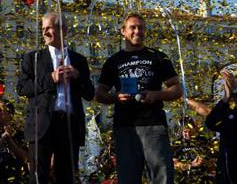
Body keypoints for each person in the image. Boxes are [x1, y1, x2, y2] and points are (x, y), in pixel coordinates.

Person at [95, 13, 182, 184]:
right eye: (132, 27)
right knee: (127, 178)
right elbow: (99, 94)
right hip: (125, 127)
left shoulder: (158, 57)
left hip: (154, 125)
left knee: (162, 176)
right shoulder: (113, 61)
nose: (137, 31)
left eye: (141, 27)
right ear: (123, 31)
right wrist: (116, 97)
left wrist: (156, 95)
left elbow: (177, 89)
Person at [17, 12, 95, 184]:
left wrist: (78, 76)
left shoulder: (78, 60)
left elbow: (90, 93)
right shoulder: (33, 58)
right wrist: (51, 79)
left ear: (64, 30)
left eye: (49, 28)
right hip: (41, 124)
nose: (44, 33)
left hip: (68, 124)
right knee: (38, 176)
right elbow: (22, 88)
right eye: (43, 28)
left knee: (66, 176)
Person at [0, 99, 28, 184]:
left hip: (15, 178)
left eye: (1, 109)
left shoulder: (18, 134)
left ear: (11, 115)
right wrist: (4, 136)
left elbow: (25, 157)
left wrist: (9, 139)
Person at [172, 118, 213, 183]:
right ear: (181, 130)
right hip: (185, 179)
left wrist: (204, 162)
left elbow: (212, 161)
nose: (188, 134)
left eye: (190, 131)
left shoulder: (202, 140)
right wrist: (191, 164)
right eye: (185, 132)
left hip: (203, 178)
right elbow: (174, 165)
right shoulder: (177, 143)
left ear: (194, 129)